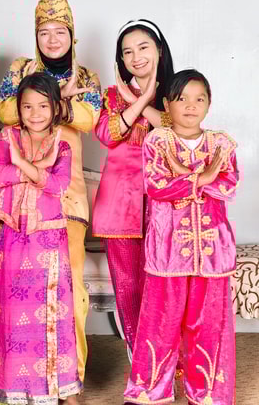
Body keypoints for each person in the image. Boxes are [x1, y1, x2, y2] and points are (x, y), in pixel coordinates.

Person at [0, 0, 102, 382]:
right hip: (19, 200)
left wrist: (50, 101)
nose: (52, 39)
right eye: (44, 32)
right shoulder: (20, 69)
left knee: (70, 291)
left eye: (60, 31)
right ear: (35, 35)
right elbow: (6, 112)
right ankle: (29, 381)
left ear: (72, 35)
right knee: (24, 293)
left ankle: (70, 378)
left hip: (65, 196)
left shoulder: (86, 76)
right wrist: (59, 99)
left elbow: (90, 119)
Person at [124, 69, 238, 405]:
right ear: (166, 105)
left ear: (209, 104)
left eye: (199, 99)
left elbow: (228, 186)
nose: (191, 105)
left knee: (210, 325)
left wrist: (187, 179)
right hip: (167, 249)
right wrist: (203, 178)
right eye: (182, 98)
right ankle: (149, 392)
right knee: (161, 323)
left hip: (213, 251)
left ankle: (207, 394)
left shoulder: (222, 144)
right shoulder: (157, 142)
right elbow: (156, 187)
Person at [0, 72, 82, 405]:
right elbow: (0, 174)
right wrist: (38, 168)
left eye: (43, 105)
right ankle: (18, 390)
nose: (35, 113)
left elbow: (58, 185)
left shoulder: (62, 144)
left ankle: (63, 389)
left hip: (48, 238)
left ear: (56, 107)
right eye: (27, 106)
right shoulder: (7, 136)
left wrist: (21, 164)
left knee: (54, 312)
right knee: (15, 313)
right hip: (13, 235)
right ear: (19, 108)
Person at [92, 19, 174, 355]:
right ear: (121, 60)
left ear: (159, 50)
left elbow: (180, 134)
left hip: (165, 205)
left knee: (163, 285)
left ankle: (165, 357)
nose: (136, 57)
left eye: (143, 47)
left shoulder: (177, 92)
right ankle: (140, 359)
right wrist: (134, 101)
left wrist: (146, 100)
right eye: (127, 52)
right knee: (128, 287)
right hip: (118, 205)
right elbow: (107, 135)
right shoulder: (113, 96)